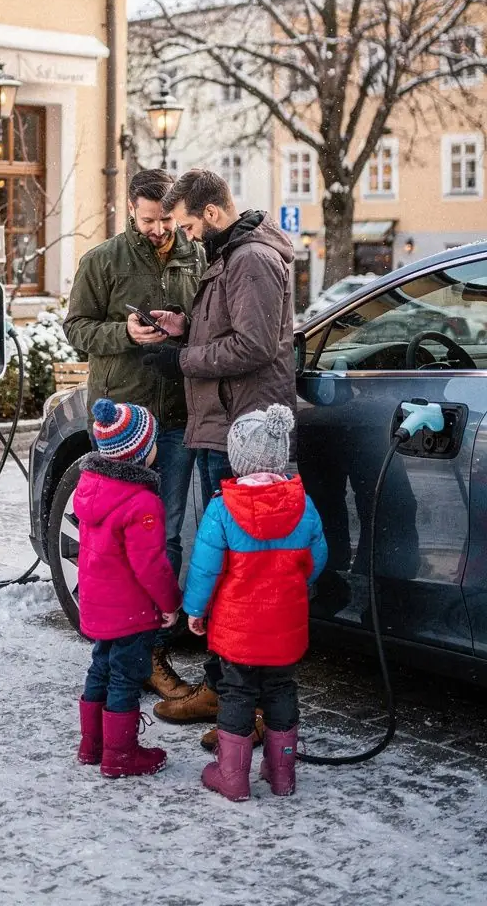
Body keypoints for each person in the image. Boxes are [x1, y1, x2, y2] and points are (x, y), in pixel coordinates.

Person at [143, 168, 297, 727]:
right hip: (225, 424)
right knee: (232, 565)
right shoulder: (233, 255)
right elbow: (233, 330)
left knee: (238, 569)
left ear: (210, 213)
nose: (183, 236)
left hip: (241, 432)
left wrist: (182, 358)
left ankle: (239, 697)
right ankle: (226, 686)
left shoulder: (250, 258)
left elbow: (254, 345)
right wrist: (185, 328)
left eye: (186, 225)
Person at [64, 168, 204, 700]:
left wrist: (183, 326)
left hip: (176, 414)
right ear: (130, 210)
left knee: (162, 532)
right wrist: (124, 332)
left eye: (166, 219)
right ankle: (126, 643)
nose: (159, 229)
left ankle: (152, 645)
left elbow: (207, 318)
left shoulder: (195, 253)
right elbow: (75, 328)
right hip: (124, 419)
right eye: (149, 220)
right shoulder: (102, 261)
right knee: (116, 535)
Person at [183, 404, 327, 800]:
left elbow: (205, 569)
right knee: (282, 689)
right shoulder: (303, 504)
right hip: (284, 626)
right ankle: (282, 776)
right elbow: (317, 560)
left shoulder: (222, 508)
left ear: (238, 458)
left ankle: (233, 777)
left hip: (238, 630)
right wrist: (294, 586)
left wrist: (196, 610)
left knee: (237, 693)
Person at [74, 397, 182, 778]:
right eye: (152, 443)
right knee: (126, 676)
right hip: (132, 613)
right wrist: (170, 602)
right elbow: (150, 566)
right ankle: (120, 755)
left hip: (98, 606)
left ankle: (92, 745)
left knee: (100, 667)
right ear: (140, 453)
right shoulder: (142, 502)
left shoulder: (91, 486)